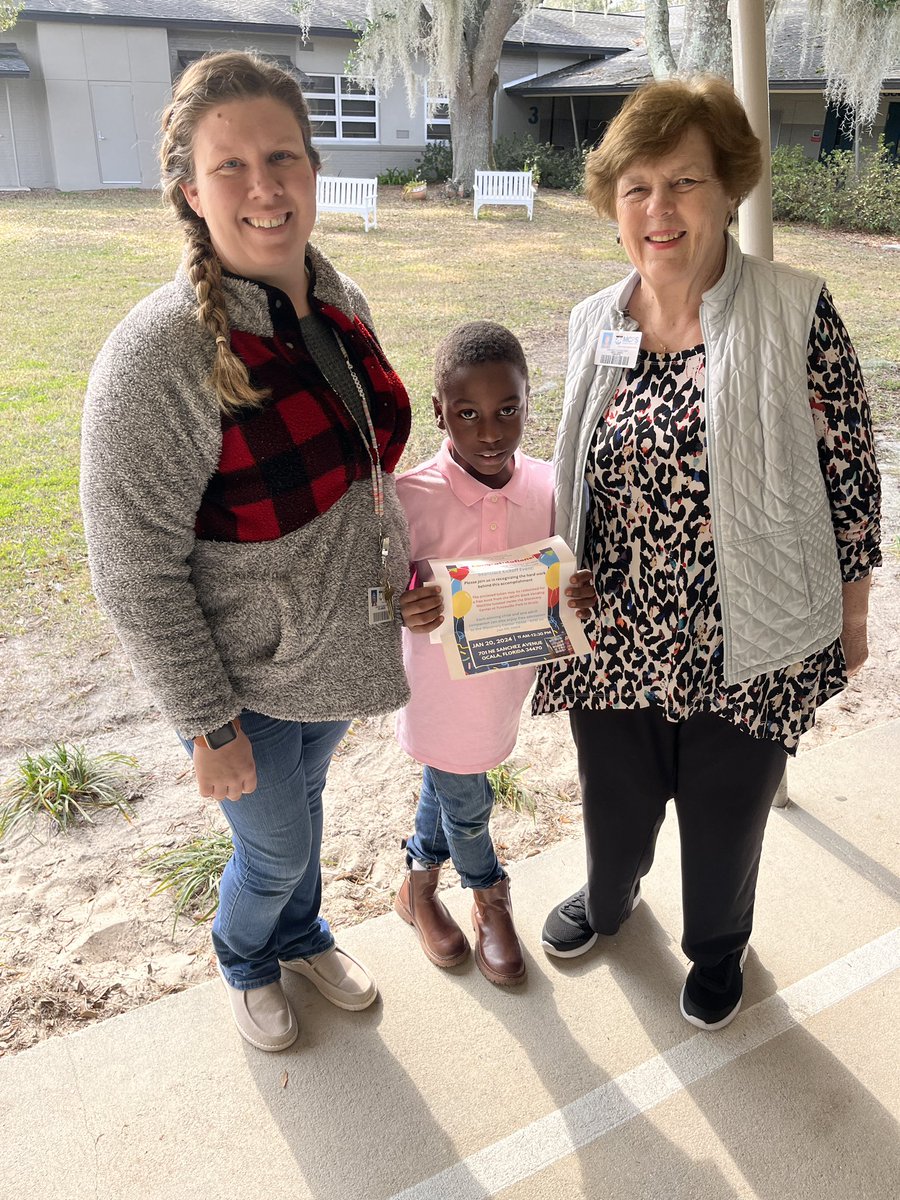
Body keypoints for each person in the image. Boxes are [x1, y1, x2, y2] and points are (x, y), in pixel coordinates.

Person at [533, 76, 881, 1030]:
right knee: (613, 804)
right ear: (613, 203)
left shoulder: (795, 310)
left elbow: (850, 473)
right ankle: (610, 902)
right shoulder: (595, 320)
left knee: (726, 825)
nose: (660, 209)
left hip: (751, 635)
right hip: (618, 635)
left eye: (683, 182)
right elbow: (569, 472)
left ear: (728, 188)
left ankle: (718, 948)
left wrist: (851, 612)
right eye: (637, 186)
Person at [80, 52, 411, 1052]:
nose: (264, 187)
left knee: (303, 814)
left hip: (338, 651)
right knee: (272, 849)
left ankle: (303, 933)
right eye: (232, 167)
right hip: (246, 684)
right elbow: (133, 570)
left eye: (284, 157)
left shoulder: (333, 294)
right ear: (189, 190)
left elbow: (367, 465)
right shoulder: (158, 356)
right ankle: (247, 955)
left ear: (312, 168)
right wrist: (207, 725)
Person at [393, 321, 596, 985]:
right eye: (468, 415)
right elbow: (369, 597)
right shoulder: (410, 497)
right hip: (437, 696)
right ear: (439, 413)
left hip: (502, 691)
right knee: (468, 800)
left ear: (529, 402)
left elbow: (561, 578)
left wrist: (576, 592)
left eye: (508, 410)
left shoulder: (546, 486)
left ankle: (417, 884)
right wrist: (400, 603)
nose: (490, 432)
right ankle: (490, 896)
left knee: (449, 781)